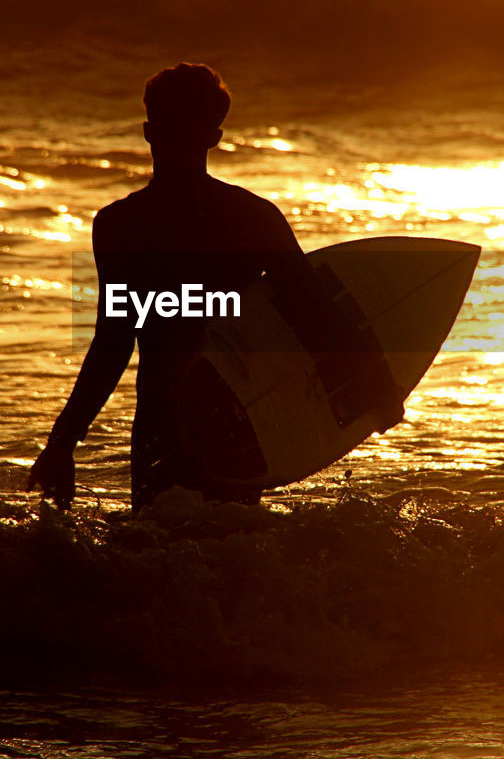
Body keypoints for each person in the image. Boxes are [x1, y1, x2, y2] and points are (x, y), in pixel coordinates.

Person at [26, 63, 311, 510]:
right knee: (235, 559)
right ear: (214, 137)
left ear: (147, 132)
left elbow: (114, 342)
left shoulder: (120, 224)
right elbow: (310, 318)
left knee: (157, 557)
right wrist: (375, 396)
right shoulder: (254, 217)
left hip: (161, 421)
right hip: (234, 421)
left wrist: (63, 443)